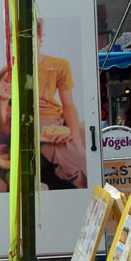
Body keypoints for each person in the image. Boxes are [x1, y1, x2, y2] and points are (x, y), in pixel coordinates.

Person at [37, 18, 87, 189]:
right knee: (72, 157)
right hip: (40, 123)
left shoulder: (60, 65)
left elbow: (68, 105)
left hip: (59, 119)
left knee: (84, 141)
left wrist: (75, 136)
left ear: (40, 37)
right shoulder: (11, 69)